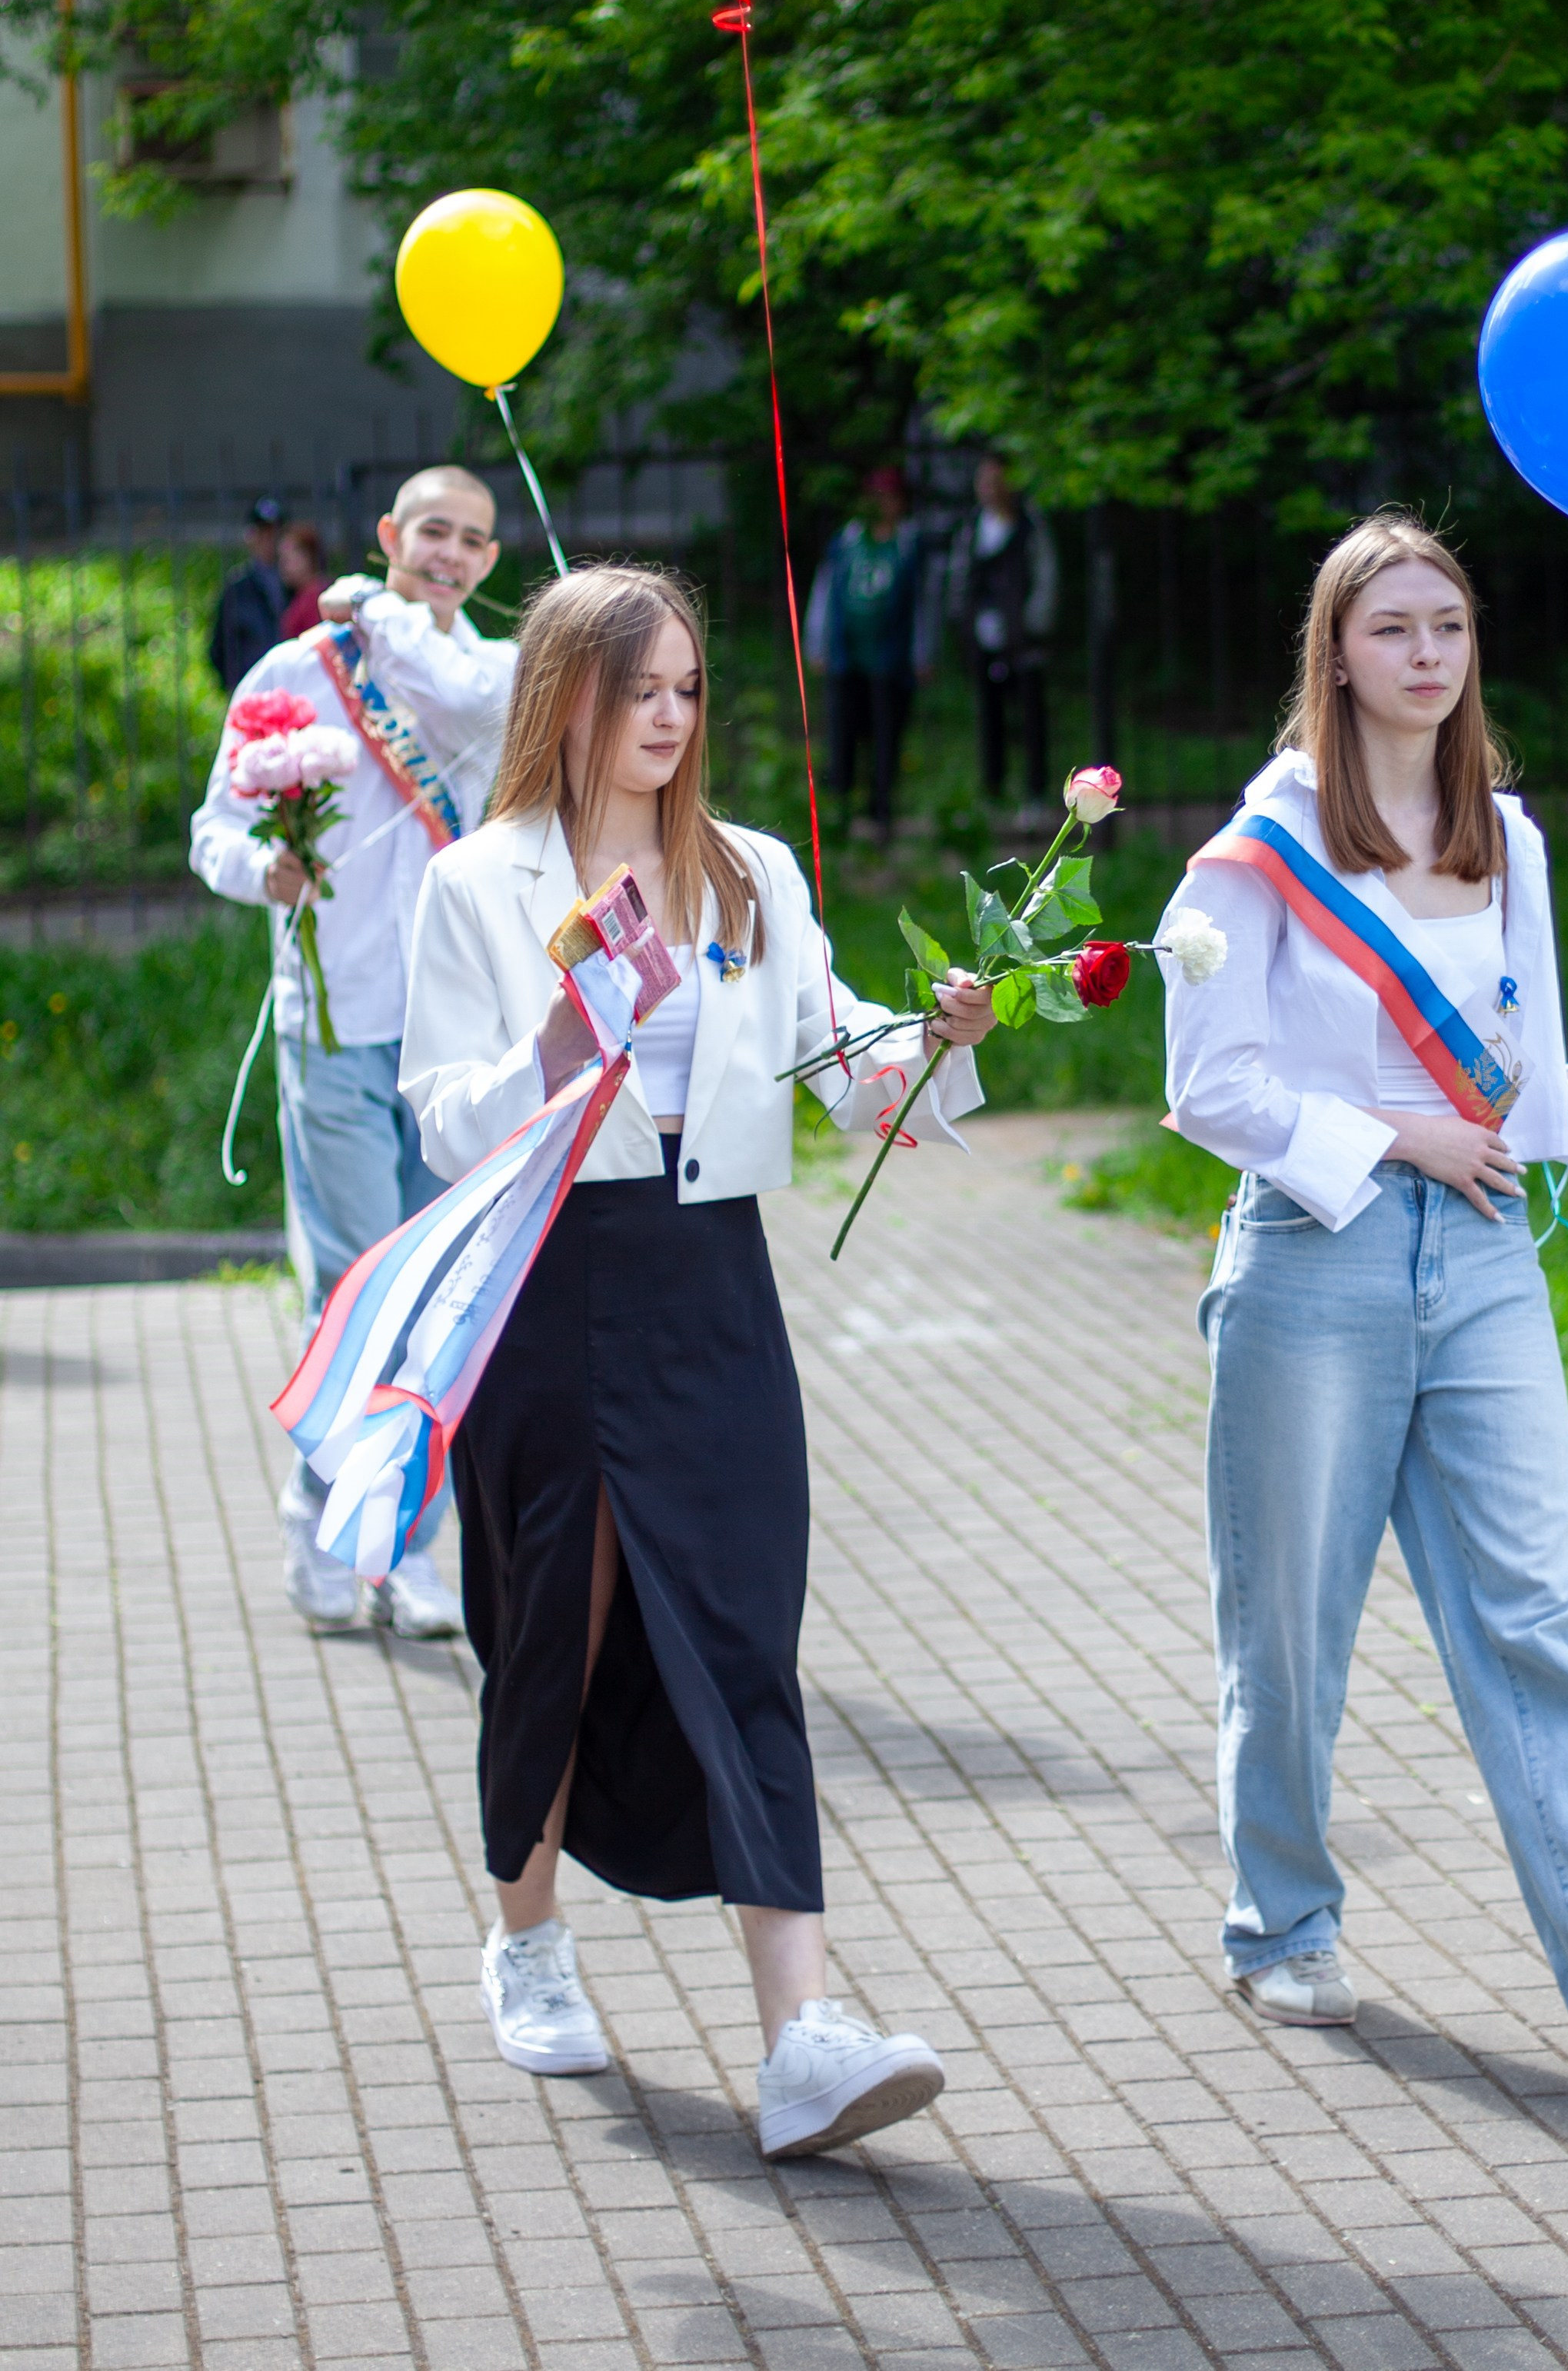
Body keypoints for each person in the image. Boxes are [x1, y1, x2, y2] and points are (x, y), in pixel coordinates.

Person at [1160, 510, 1568, 2084]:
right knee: (1289, 1627)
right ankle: (1281, 1926)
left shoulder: (1513, 838)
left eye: (1445, 626)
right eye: (1390, 630)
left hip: (1484, 1255)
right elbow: (1205, 1086)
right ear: (1335, 656)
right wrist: (1389, 1137)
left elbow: (1514, 1086)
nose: (1423, 654)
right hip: (1314, 1259)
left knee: (1540, 1613)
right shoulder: (1252, 851)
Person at [398, 564, 998, 2152]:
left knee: (740, 1635)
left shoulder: (744, 873)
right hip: (540, 1282)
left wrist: (925, 1044)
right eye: (634, 688)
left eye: (684, 690)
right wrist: (547, 1046)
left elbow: (835, 1053)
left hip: (708, 1286)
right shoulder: (477, 885)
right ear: (562, 696)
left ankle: (802, 2034)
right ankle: (526, 1937)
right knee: (559, 1633)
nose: (665, 718)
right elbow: (441, 1115)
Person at [191, 464, 515, 1638]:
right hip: (329, 1023)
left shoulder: (490, 675)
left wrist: (377, 617)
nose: (450, 552)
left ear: (489, 561)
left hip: (452, 1033)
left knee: (434, 1300)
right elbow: (211, 830)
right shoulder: (289, 675)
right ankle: (329, 1526)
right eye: (432, 529)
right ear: (392, 532)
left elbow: (483, 718)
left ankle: (400, 1551)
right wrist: (261, 870)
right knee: (352, 1292)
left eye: (474, 540)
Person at [804, 465, 931, 841]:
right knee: (843, 736)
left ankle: (881, 815)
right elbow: (825, 592)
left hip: (891, 660)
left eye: (889, 497)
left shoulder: (909, 544)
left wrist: (923, 653)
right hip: (848, 658)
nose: (881, 504)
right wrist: (818, 643)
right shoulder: (847, 540)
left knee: (887, 736)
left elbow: (925, 603)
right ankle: (839, 815)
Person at [945, 455, 1057, 817]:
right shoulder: (973, 528)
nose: (990, 489)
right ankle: (992, 794)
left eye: (997, 480)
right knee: (989, 718)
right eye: (984, 481)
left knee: (1030, 719)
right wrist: (964, 621)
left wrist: (1032, 625)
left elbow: (1045, 577)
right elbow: (961, 577)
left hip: (1023, 641)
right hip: (984, 639)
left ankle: (1034, 795)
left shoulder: (1029, 526)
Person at [208, 496, 288, 690]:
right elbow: (219, 649)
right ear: (250, 536)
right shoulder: (237, 588)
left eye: (275, 534)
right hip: (252, 689)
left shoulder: (297, 582)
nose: (270, 541)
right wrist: (237, 687)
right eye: (263, 534)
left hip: (293, 688)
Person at [278, 521, 330, 638]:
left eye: (288, 558)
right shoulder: (301, 596)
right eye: (281, 558)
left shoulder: (314, 597)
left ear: (308, 557)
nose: (283, 564)